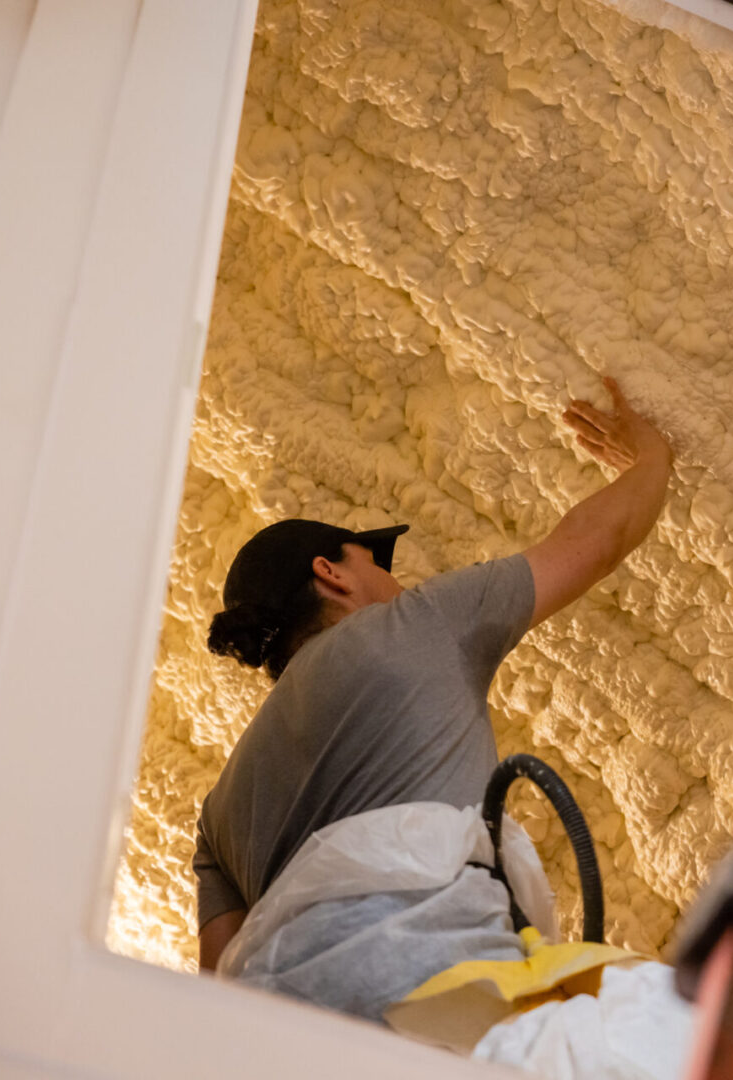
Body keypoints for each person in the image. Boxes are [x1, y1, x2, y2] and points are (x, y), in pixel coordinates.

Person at [192, 377, 672, 1009]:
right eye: (375, 562)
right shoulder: (412, 625)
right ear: (330, 573)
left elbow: (216, 999)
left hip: (293, 1032)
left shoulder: (218, 815)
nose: (397, 581)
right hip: (435, 986)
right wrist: (655, 457)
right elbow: (596, 542)